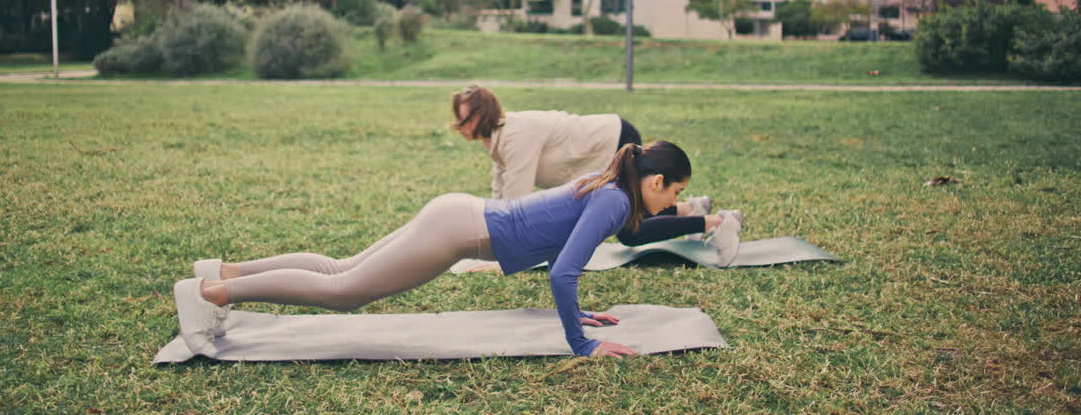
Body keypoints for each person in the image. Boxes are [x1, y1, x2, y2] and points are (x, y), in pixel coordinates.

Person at [173, 141, 745, 359]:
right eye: (675, 194)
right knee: (344, 291)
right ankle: (211, 294)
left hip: (457, 214)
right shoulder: (616, 202)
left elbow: (559, 251)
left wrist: (579, 313)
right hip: (457, 232)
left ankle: (225, 273)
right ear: (656, 182)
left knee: (340, 269)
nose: (673, 203)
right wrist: (582, 342)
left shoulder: (610, 185)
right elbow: (564, 273)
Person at [450, 85, 724, 245]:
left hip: (613, 142)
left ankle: (716, 223)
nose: (459, 126)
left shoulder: (515, 134)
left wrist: (500, 257)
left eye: (465, 119)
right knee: (631, 219)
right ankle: (690, 209)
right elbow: (500, 195)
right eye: (457, 118)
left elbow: (515, 201)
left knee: (629, 231)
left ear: (483, 115)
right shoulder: (497, 139)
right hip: (607, 143)